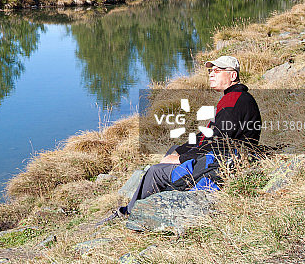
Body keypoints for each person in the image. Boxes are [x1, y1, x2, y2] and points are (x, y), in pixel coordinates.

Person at [99, 55, 261, 224]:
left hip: (221, 164)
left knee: (155, 172)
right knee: (173, 150)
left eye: (217, 70)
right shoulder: (234, 98)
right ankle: (153, 199)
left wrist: (182, 158)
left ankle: (131, 213)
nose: (211, 74)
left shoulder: (234, 101)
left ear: (233, 75)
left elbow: (218, 142)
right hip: (222, 157)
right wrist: (180, 151)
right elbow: (206, 135)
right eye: (210, 71)